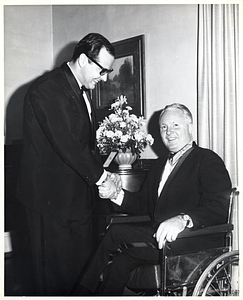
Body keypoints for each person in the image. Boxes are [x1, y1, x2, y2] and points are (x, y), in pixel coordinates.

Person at [72, 103, 232, 296]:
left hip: (193, 241)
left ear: (190, 126)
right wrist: (116, 193)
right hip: (161, 241)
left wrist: (183, 219)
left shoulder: (207, 160)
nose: (169, 132)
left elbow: (218, 206)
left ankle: (80, 293)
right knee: (121, 263)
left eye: (175, 126)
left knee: (116, 231)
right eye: (164, 127)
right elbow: (143, 205)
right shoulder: (158, 166)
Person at [17, 33, 120, 295]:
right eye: (103, 70)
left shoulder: (81, 91)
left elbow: (85, 145)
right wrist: (102, 178)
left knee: (79, 277)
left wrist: (103, 172)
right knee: (53, 281)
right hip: (50, 205)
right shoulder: (48, 89)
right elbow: (69, 145)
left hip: (77, 204)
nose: (105, 78)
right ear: (84, 60)